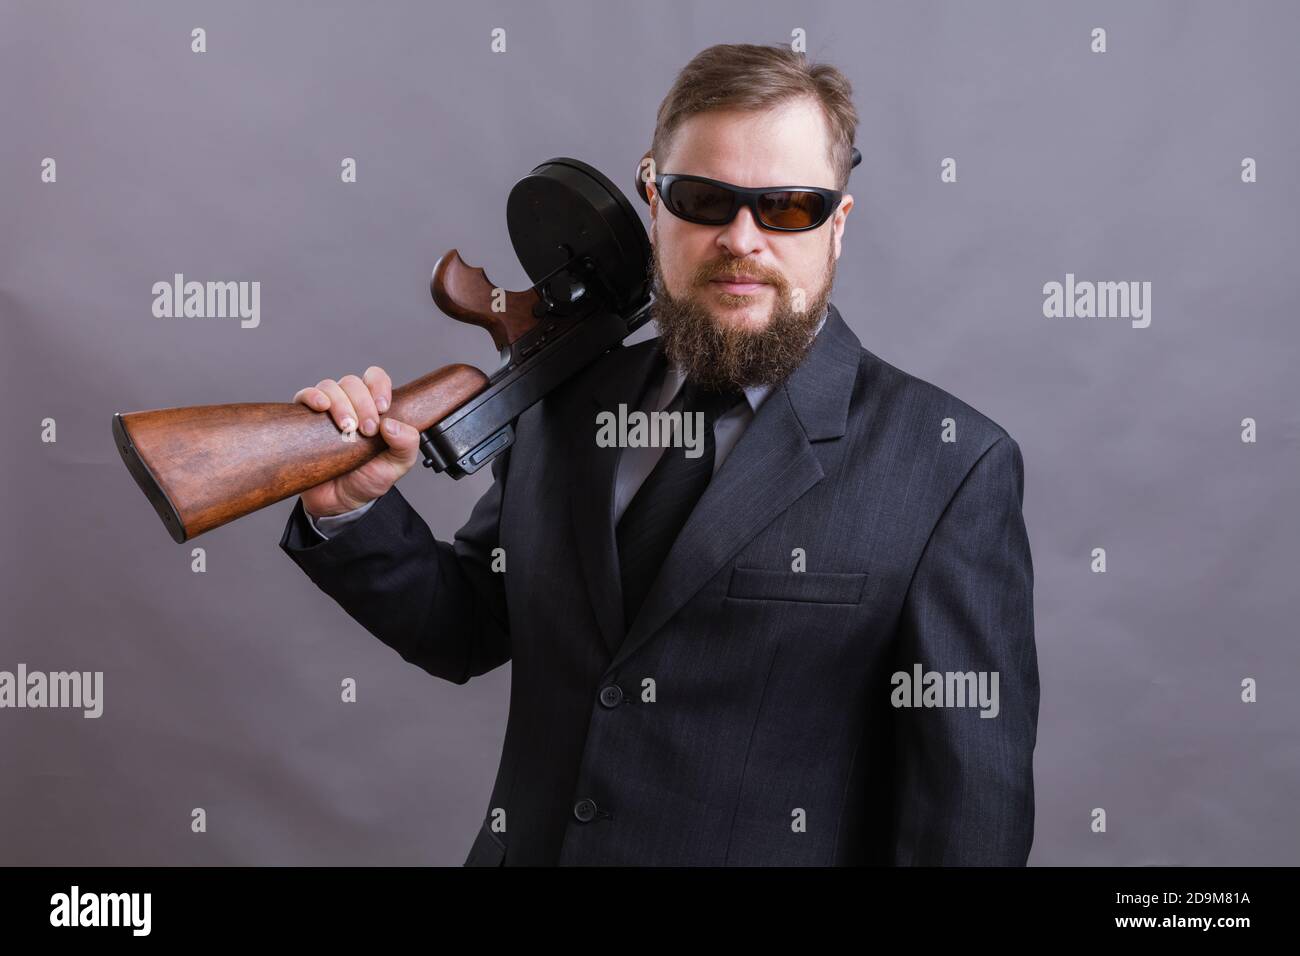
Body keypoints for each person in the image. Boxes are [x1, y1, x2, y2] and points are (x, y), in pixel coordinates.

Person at [280, 43, 1039, 866]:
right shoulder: (568, 404)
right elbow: (467, 625)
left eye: (788, 207)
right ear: (654, 201)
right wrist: (349, 506)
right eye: (705, 199)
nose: (741, 240)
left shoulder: (949, 467)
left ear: (837, 225)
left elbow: (967, 828)